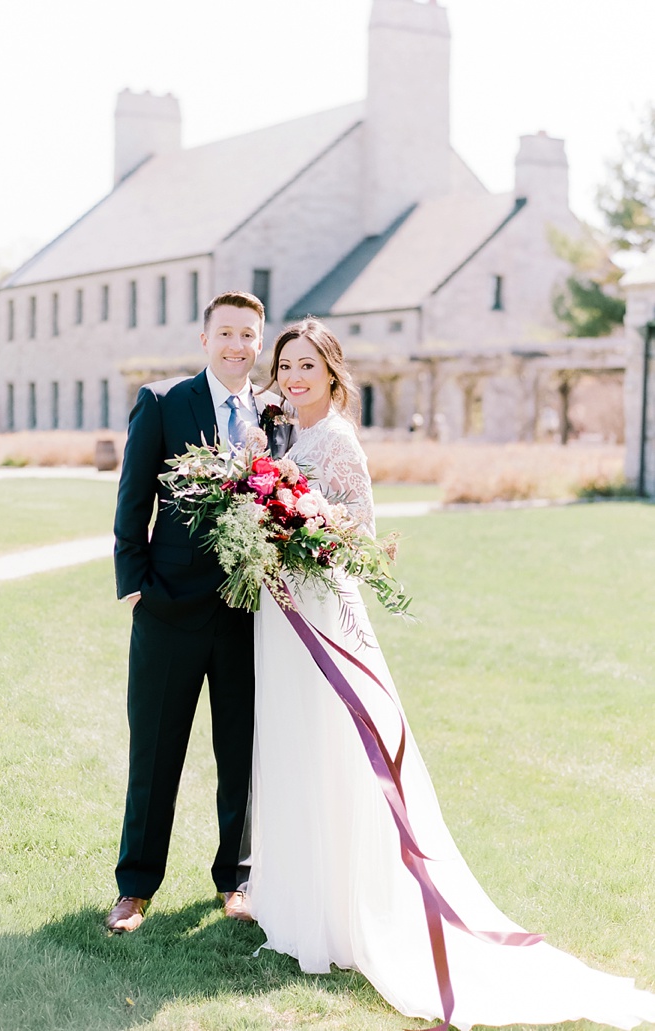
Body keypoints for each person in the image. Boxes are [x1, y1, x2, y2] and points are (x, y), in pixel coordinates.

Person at [246, 318, 655, 1030]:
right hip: (280, 617)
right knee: (291, 748)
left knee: (335, 752)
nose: (294, 376)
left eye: (307, 364)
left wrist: (301, 526)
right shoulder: (286, 437)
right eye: (286, 365)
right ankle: (296, 898)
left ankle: (346, 910)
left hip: (321, 615)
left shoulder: (338, 440)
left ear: (333, 373)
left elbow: (362, 534)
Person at [108, 290, 292, 933]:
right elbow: (134, 497)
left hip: (246, 613)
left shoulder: (274, 412)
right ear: (205, 339)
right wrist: (135, 583)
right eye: (227, 333)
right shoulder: (163, 402)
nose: (238, 345)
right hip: (167, 609)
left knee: (240, 752)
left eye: (249, 335)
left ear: (259, 342)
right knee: (154, 751)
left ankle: (235, 882)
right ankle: (135, 887)